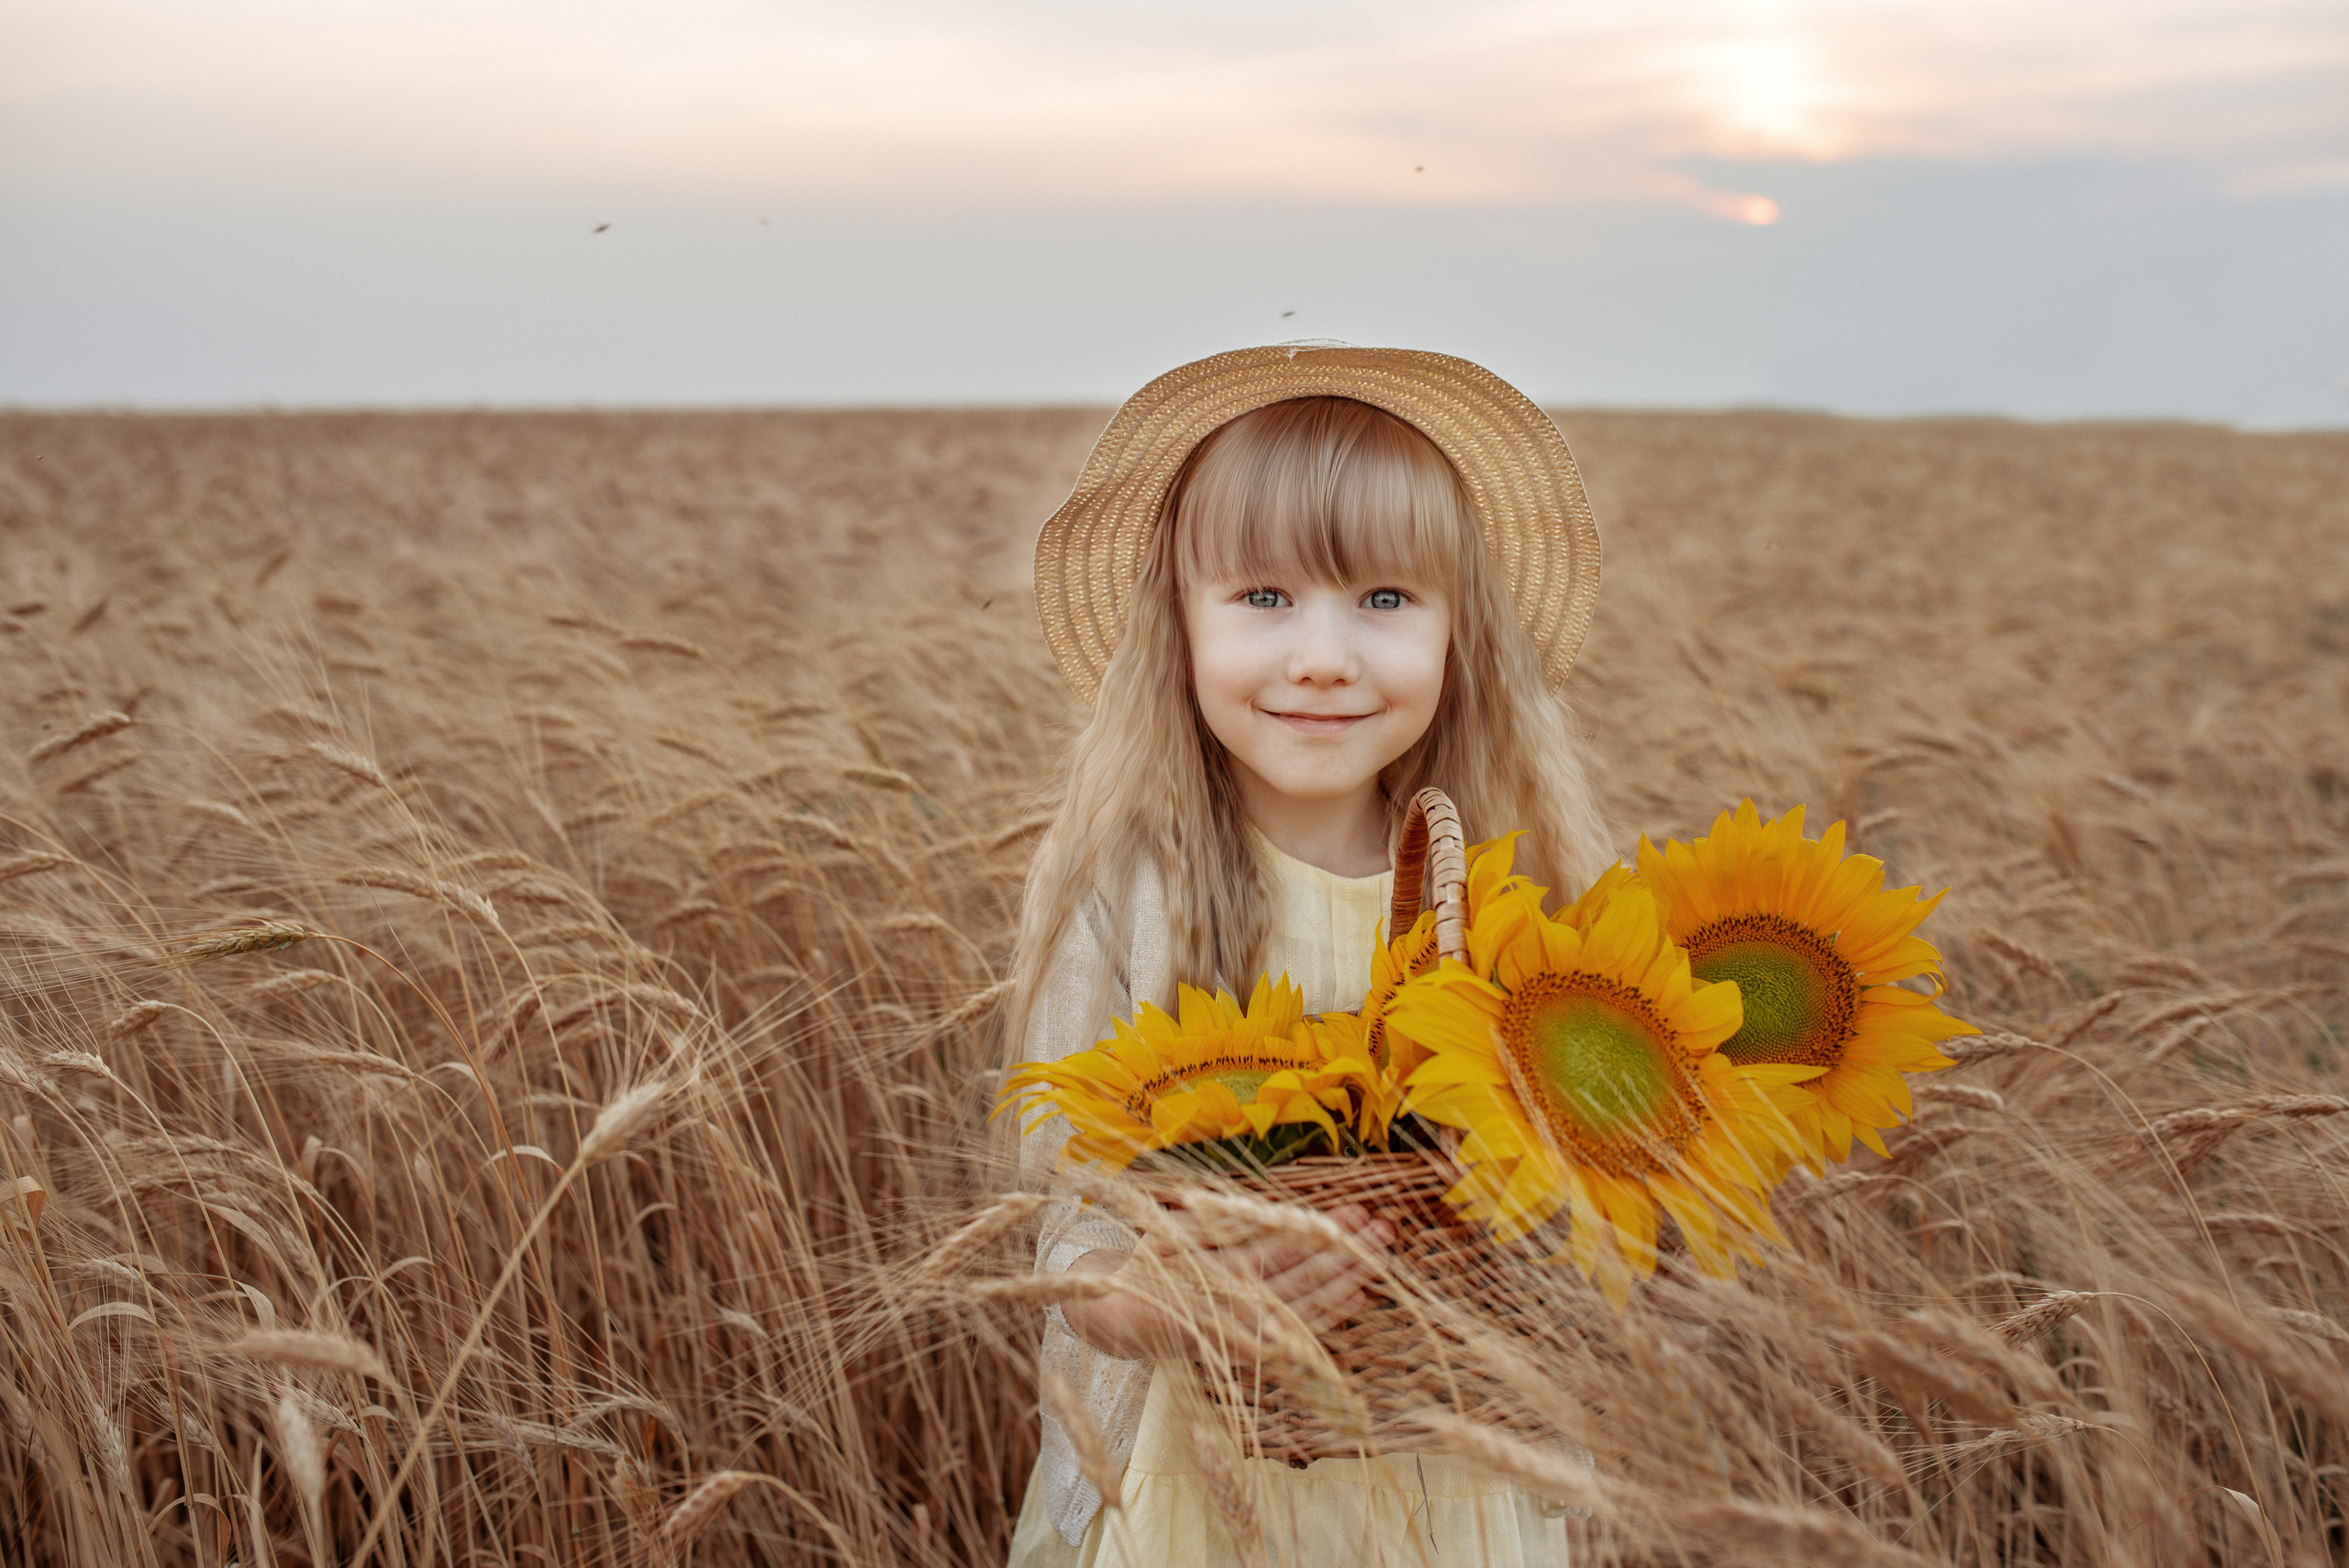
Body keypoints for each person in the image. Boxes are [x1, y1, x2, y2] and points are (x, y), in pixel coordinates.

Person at [1005, 344, 1614, 1566]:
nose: (1325, 655)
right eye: (1263, 598)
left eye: (1385, 601)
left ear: (1461, 630)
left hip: (1455, 1489)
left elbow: (1593, 1184)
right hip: (1206, 1497)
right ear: (1176, 619)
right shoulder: (1138, 888)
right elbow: (1063, 1221)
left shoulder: (1500, 892)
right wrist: (1148, 1295)